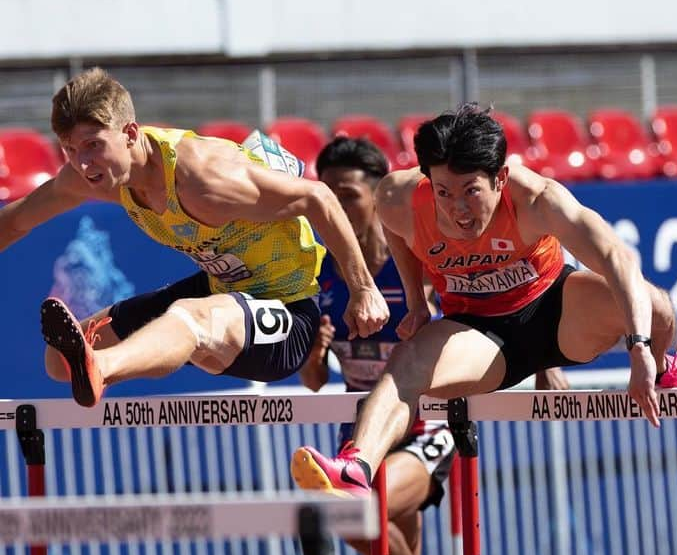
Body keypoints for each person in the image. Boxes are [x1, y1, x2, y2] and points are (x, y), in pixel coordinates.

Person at [291, 103, 677, 501]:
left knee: (656, 304)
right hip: (478, 331)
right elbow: (399, 232)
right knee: (409, 361)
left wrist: (641, 350)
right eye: (443, 192)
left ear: (499, 178)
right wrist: (416, 302)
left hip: (555, 314)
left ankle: (669, 367)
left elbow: (617, 258)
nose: (458, 210)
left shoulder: (538, 200)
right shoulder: (397, 197)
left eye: (471, 192)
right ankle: (355, 468)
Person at [298, 136, 568, 555]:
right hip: (362, 436)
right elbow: (312, 381)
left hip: (425, 432)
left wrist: (546, 359)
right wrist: (317, 350)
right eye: (325, 194)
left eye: (347, 193)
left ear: (379, 196)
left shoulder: (418, 255)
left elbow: (508, 299)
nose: (335, 205)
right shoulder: (325, 275)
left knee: (352, 516)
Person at [0, 67, 388, 406]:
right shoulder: (92, 178)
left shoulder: (203, 177)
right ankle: (107, 361)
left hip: (287, 310)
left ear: (131, 133)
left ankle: (104, 366)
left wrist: (363, 289)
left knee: (189, 316)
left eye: (93, 146)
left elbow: (316, 196)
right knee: (61, 359)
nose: (83, 164)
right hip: (221, 289)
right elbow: (16, 221)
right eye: (69, 150)